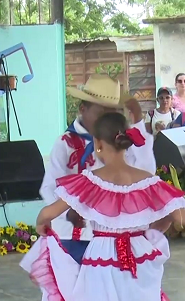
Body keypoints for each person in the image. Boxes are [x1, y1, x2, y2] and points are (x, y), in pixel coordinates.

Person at [22, 112, 185, 301]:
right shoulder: (147, 180)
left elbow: (47, 214)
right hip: (140, 258)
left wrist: (42, 226)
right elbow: (182, 218)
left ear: (98, 144)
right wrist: (154, 229)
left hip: (103, 257)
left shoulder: (90, 180)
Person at [41, 74, 155, 267]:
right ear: (82, 109)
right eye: (102, 114)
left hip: (112, 235)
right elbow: (51, 186)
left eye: (113, 115)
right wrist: (68, 212)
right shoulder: (66, 143)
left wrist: (137, 124)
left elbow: (145, 174)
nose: (107, 121)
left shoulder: (121, 142)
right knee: (74, 290)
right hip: (73, 236)